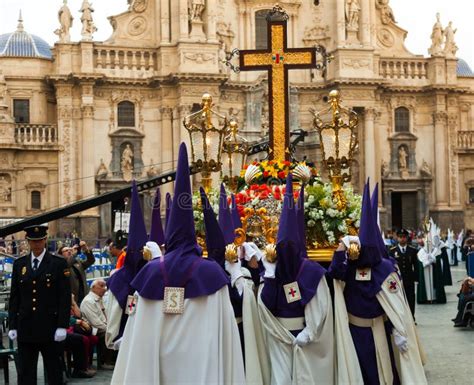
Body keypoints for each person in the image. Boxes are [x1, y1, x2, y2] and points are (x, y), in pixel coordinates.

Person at [111, 143, 245, 384]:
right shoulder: (212, 274)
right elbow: (226, 337)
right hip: (202, 366)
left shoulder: (150, 273)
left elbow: (137, 340)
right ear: (195, 239)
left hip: (157, 367)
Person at [329, 181, 427, 385]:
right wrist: (340, 250)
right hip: (353, 331)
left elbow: (395, 304)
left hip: (379, 331)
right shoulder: (350, 265)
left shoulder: (384, 269)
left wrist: (399, 330)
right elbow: (335, 275)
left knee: (382, 374)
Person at [259, 175, 334, 385]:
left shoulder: (311, 271)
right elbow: (266, 305)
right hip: (278, 334)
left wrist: (309, 331)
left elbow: (320, 304)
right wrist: (271, 275)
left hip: (305, 336)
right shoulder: (272, 270)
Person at [201, 185, 270, 384]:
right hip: (218, 333)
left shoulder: (242, 272)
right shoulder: (211, 273)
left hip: (239, 331)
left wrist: (254, 268)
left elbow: (253, 299)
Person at [8, 224, 71, 385]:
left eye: (40, 240)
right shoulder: (20, 264)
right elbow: (15, 297)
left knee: (54, 371)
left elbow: (64, 297)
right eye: (33, 241)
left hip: (50, 326)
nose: (36, 244)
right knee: (26, 373)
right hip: (26, 327)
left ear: (45, 240)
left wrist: (62, 325)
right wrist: (13, 325)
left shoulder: (58, 264)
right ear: (28, 241)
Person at [106, 180, 149, 350]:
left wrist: (111, 338)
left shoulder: (118, 278)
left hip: (125, 339)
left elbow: (113, 313)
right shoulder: (154, 275)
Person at [80, 278, 114, 369]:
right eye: (101, 286)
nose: (105, 288)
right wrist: (110, 328)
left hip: (99, 326)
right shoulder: (88, 301)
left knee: (115, 330)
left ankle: (112, 359)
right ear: (93, 287)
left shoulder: (99, 299)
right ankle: (104, 362)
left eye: (105, 286)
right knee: (109, 332)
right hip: (91, 329)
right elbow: (95, 323)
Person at [389, 229, 419, 318]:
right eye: (400, 237)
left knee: (410, 298)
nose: (402, 239)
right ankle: (401, 317)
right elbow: (390, 266)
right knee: (399, 298)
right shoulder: (392, 251)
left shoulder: (412, 250)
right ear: (397, 238)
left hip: (409, 279)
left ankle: (411, 317)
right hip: (397, 279)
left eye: (404, 237)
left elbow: (416, 266)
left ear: (407, 238)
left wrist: (416, 279)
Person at [417, 220, 447, 304]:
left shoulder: (436, 250)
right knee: (426, 285)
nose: (428, 244)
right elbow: (420, 263)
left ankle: (434, 298)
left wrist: (433, 260)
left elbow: (439, 260)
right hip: (425, 272)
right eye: (427, 242)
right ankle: (425, 298)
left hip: (434, 273)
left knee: (434, 285)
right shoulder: (421, 252)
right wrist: (426, 262)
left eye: (430, 242)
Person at [58, 240, 95, 304]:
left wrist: (85, 249)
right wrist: (73, 255)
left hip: (84, 295)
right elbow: (66, 265)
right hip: (71, 299)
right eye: (66, 250)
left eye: (70, 249)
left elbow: (91, 261)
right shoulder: (59, 264)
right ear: (61, 254)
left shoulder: (77, 262)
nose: (69, 251)